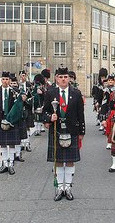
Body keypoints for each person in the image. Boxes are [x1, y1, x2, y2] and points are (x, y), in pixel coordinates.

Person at [43, 66, 85, 201]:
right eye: (60, 77)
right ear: (56, 78)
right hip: (57, 130)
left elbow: (80, 114)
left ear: (69, 78)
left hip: (72, 130)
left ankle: (68, 188)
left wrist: (81, 132)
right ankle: (60, 188)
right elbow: (44, 112)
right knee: (59, 161)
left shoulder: (76, 93)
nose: (63, 79)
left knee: (71, 161)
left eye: (65, 77)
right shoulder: (50, 93)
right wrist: (50, 117)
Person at [0, 71, 27, 175]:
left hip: (11, 120)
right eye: (3, 79)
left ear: (10, 81)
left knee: (11, 144)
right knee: (2, 144)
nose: (5, 81)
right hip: (0, 119)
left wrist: (24, 98)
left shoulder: (14, 91)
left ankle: (11, 164)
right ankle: (4, 164)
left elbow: (23, 99)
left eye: (7, 79)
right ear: (1, 80)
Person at [18, 70, 34, 151]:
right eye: (21, 75)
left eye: (24, 75)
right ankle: (21, 144)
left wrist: (27, 100)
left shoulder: (29, 85)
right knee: (20, 127)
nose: (22, 77)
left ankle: (27, 144)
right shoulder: (17, 85)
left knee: (27, 127)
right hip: (19, 109)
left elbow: (33, 96)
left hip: (27, 108)